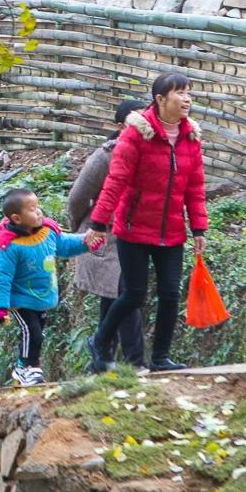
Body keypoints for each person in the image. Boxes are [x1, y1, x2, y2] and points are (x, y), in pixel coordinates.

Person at [87, 71, 208, 373]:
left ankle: (160, 358)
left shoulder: (190, 136)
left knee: (170, 293)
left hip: (172, 231)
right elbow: (115, 181)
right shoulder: (136, 134)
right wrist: (99, 223)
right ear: (160, 99)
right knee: (134, 294)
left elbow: (195, 186)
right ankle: (100, 341)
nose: (187, 99)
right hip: (133, 229)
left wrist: (199, 227)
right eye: (180, 93)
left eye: (189, 92)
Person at [0, 188, 104, 387]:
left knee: (37, 334)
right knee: (31, 332)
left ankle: (23, 366)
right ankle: (28, 368)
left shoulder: (47, 233)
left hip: (41, 298)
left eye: (38, 206)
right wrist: (0, 307)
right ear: (16, 218)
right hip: (20, 300)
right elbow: (1, 277)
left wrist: (86, 242)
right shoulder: (8, 246)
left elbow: (66, 245)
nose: (39, 212)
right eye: (32, 209)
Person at [68, 99, 148, 372]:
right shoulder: (105, 156)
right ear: (119, 126)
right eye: (134, 121)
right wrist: (82, 229)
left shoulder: (150, 153)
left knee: (114, 296)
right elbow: (78, 198)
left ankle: (101, 360)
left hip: (135, 237)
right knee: (125, 295)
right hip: (107, 239)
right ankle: (135, 362)